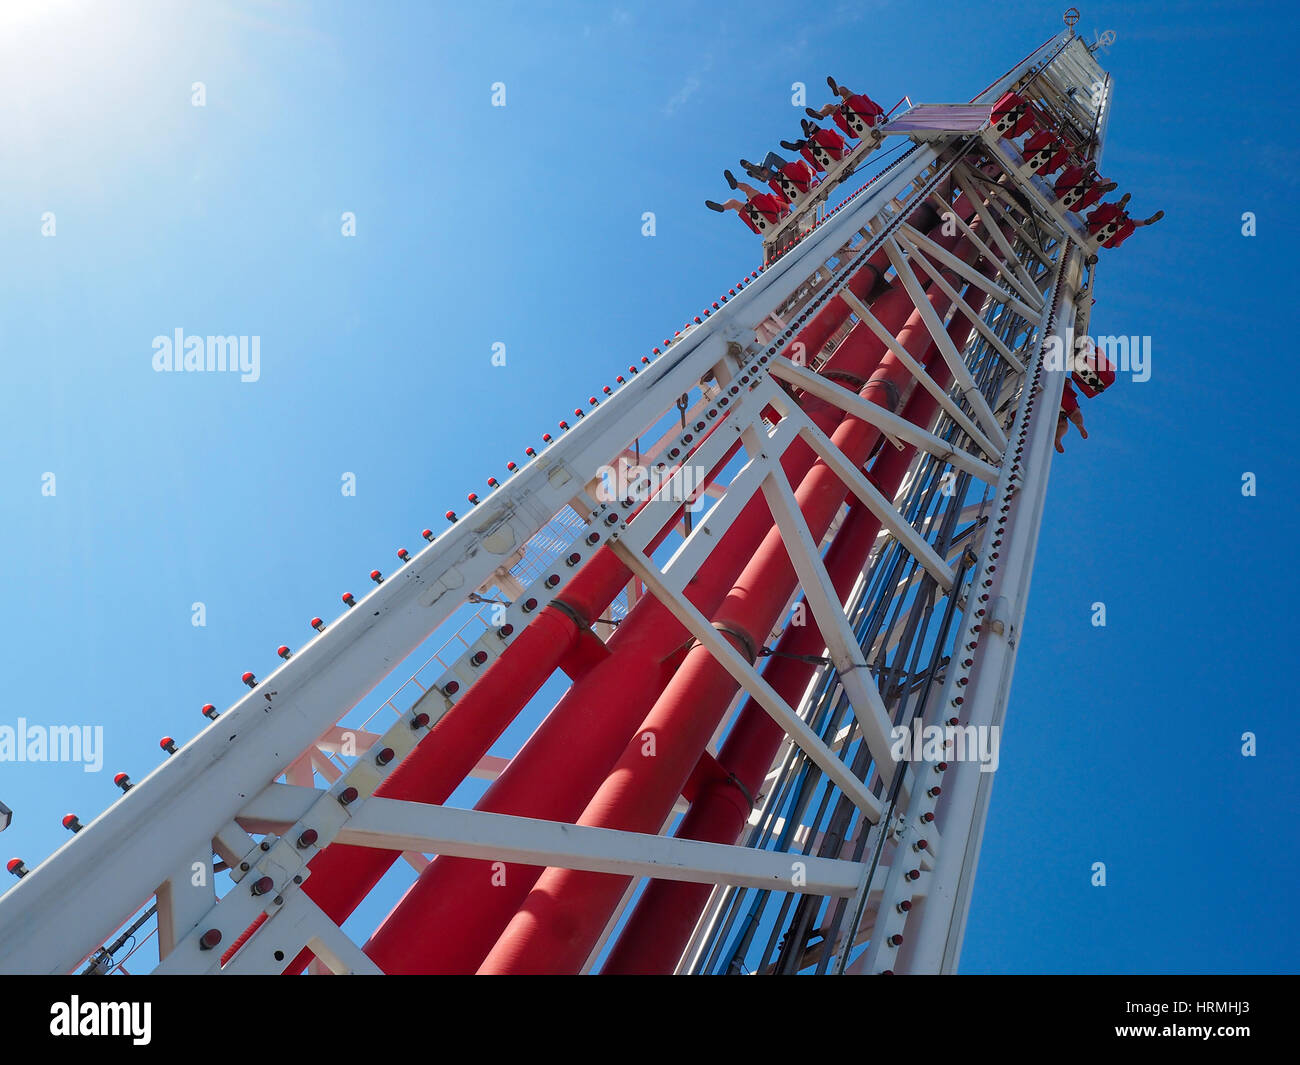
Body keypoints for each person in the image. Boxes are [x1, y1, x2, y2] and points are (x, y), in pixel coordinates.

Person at [806, 76, 886, 143]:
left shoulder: (842, 112)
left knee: (829, 106)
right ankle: (837, 90)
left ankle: (821, 113)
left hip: (854, 128)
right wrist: (883, 115)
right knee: (845, 92)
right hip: (864, 114)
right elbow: (873, 104)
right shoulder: (844, 110)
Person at [706, 175, 789, 235]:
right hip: (769, 212)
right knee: (745, 195)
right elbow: (781, 207)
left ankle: (724, 204)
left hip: (768, 213)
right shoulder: (780, 202)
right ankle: (722, 205)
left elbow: (779, 207)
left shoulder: (776, 200)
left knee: (740, 197)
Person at [739, 152, 819, 202]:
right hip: (790, 176)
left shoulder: (805, 170)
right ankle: (760, 171)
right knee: (767, 166)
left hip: (782, 182)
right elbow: (810, 172)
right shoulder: (808, 173)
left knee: (769, 158)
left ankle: (759, 171)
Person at [1056, 378, 1088, 453]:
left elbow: (1068, 381)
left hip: (1061, 400)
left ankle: (1058, 438)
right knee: (1073, 416)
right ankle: (1079, 425)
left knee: (1064, 424)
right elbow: (1068, 381)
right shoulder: (1065, 385)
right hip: (1065, 401)